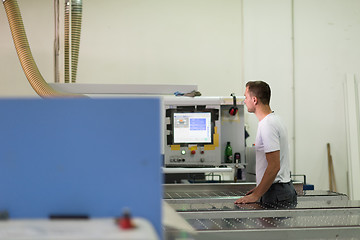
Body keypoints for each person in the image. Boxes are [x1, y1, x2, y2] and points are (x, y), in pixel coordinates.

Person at [235, 81, 297, 206]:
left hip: (276, 192)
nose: (244, 101)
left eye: (246, 97)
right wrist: (260, 189)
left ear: (254, 100)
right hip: (276, 189)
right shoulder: (275, 120)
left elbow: (274, 166)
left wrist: (256, 195)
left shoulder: (267, 125)